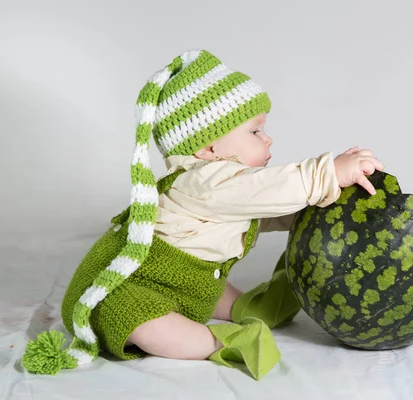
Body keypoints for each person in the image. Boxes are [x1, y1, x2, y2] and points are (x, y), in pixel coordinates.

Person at [22, 49, 385, 380]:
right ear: (210, 147)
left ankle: (250, 305)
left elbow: (264, 212)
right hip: (132, 287)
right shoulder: (204, 182)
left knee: (212, 291)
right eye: (256, 130)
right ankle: (219, 341)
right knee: (140, 322)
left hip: (192, 283)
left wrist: (321, 208)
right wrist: (327, 173)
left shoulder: (227, 187)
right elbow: (273, 190)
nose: (268, 139)